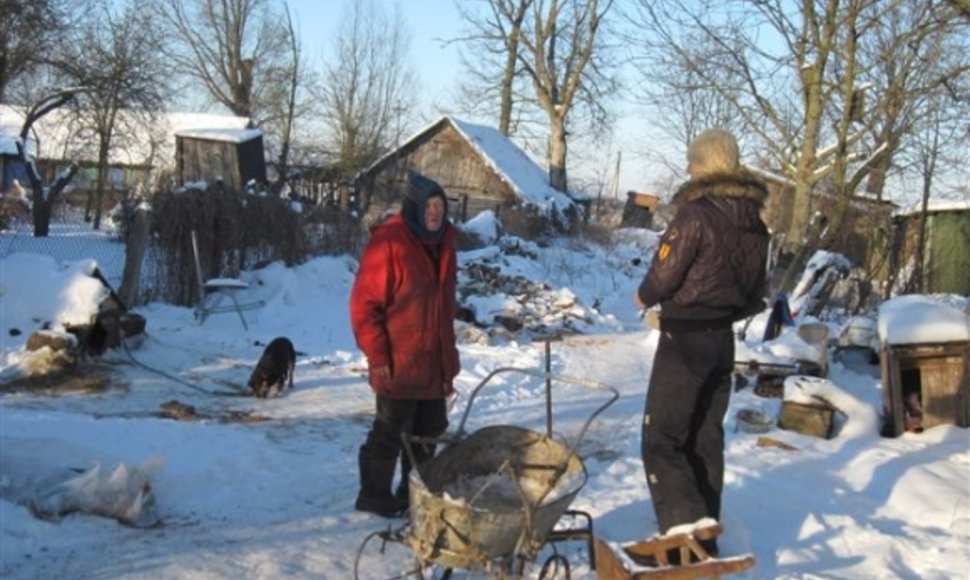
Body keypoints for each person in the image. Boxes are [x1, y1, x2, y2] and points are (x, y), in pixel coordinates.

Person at [635, 128, 769, 559]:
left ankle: (681, 551)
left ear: (707, 165)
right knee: (704, 439)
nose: (688, 168)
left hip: (685, 342)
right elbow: (755, 292)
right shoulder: (755, 222)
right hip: (722, 341)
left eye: (693, 161)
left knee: (662, 442)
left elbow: (665, 274)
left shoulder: (696, 214)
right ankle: (706, 541)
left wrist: (645, 295)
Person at [349, 170, 461, 518]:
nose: (434, 212)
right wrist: (377, 355)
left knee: (429, 434)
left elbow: (443, 306)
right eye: (428, 205)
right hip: (398, 360)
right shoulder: (391, 242)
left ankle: (413, 495)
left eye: (439, 205)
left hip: (433, 362)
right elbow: (364, 306)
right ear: (414, 207)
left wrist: (449, 359)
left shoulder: (444, 243)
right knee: (389, 434)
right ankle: (374, 496)